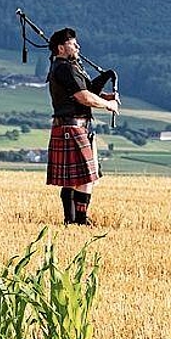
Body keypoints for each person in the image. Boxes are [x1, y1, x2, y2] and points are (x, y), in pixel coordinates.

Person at [46, 27, 120, 225]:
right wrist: (108, 105)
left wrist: (104, 88)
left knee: (74, 179)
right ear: (61, 48)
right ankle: (80, 220)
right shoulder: (65, 68)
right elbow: (83, 97)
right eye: (72, 43)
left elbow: (85, 90)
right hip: (72, 127)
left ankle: (71, 221)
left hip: (73, 127)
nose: (77, 46)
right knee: (85, 178)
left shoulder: (68, 67)